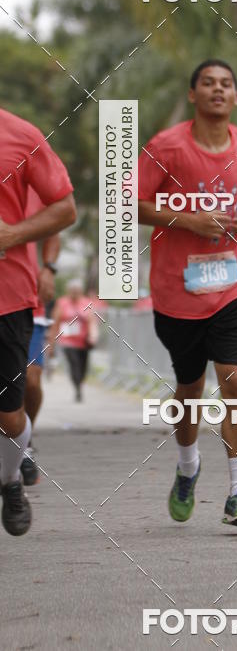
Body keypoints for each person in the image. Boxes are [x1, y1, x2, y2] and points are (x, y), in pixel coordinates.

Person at [138, 60, 237, 529]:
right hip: (178, 292)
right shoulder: (166, 147)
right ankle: (188, 466)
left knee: (234, 380)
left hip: (232, 285)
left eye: (226, 84)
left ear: (235, 97)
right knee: (190, 389)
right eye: (208, 83)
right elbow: (128, 202)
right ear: (193, 95)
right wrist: (188, 220)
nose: (217, 90)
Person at [0, 107, 76, 536]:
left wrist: (20, 242)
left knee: (13, 412)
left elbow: (63, 211)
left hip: (11, 297)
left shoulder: (21, 139)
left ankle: (11, 478)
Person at [21, 217, 61, 485]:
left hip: (28, 304)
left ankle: (25, 441)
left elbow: (54, 228)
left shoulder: (33, 195)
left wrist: (48, 268)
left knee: (32, 379)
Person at [48, 280, 95, 403]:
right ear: (68, 291)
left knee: (83, 367)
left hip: (83, 341)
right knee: (74, 364)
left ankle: (80, 383)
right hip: (67, 341)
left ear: (81, 291)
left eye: (77, 291)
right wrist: (52, 343)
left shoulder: (86, 302)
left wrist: (93, 336)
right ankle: (77, 387)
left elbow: (92, 322)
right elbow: (55, 323)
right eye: (72, 291)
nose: (74, 293)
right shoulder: (62, 303)